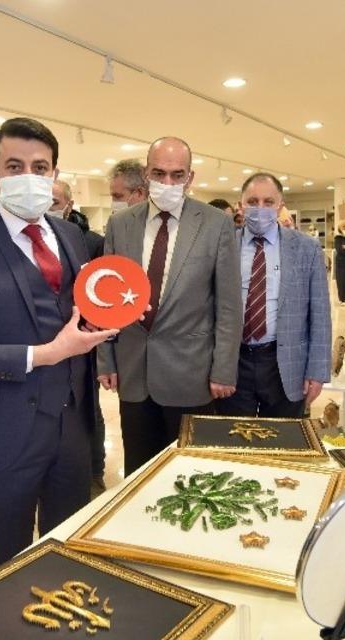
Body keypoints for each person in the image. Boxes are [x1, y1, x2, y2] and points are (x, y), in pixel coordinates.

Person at [0, 117, 116, 568]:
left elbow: (75, 313)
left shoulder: (70, 236)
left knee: (67, 553)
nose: (28, 177)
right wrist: (48, 354)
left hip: (73, 429)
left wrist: (111, 318)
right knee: (10, 567)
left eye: (40, 166)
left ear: (54, 173)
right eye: (14, 166)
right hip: (5, 433)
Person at [97, 137, 241, 475]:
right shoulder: (121, 224)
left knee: (189, 473)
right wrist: (106, 358)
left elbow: (229, 306)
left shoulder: (215, 224)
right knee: (138, 471)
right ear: (146, 173)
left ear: (190, 178)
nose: (168, 183)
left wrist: (223, 369)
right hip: (134, 370)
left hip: (191, 373)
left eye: (177, 175)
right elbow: (106, 300)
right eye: (159, 173)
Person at [216, 173, 329, 418]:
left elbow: (320, 314)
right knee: (235, 444)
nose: (260, 208)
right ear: (240, 205)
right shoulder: (223, 245)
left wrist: (317, 371)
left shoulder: (306, 248)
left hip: (286, 363)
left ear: (280, 205)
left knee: (282, 446)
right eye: (252, 201)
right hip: (234, 362)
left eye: (268, 202)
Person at [50, 178, 108, 493]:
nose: (48, 208)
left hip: (86, 341)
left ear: (70, 206)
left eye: (55, 202)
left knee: (88, 408)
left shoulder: (91, 242)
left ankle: (94, 469)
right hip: (46, 345)